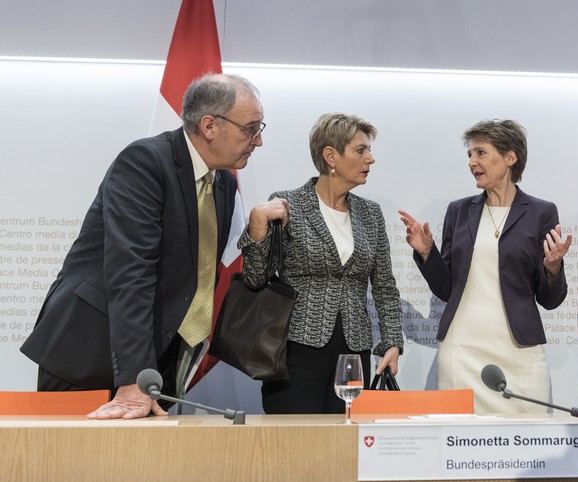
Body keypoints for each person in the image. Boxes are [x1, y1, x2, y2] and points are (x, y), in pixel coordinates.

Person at [20, 73, 265, 419]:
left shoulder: (222, 181)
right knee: (72, 470)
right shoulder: (145, 163)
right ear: (210, 125)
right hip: (93, 353)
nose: (257, 141)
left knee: (144, 471)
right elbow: (130, 272)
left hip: (158, 362)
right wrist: (135, 377)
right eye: (251, 129)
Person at [399, 119, 571, 413]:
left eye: (480, 153)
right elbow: (445, 288)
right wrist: (428, 252)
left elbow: (550, 299)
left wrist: (553, 267)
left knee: (527, 437)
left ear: (509, 157)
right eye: (469, 155)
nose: (472, 162)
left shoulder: (541, 211)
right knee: (460, 438)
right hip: (462, 347)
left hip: (519, 350)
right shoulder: (459, 210)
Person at [241, 112, 403, 414]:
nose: (371, 159)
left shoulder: (371, 213)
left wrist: (392, 342)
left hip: (354, 351)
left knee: (344, 446)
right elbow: (255, 277)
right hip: (295, 349)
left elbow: (384, 286)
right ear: (331, 156)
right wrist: (257, 227)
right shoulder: (288, 203)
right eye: (361, 150)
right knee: (295, 442)